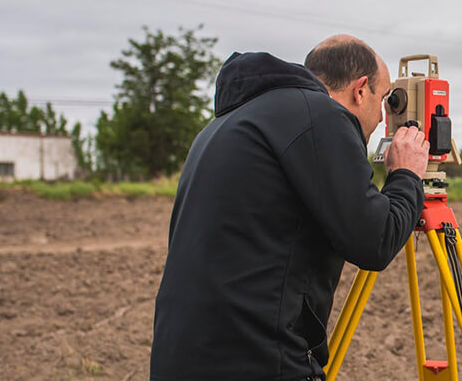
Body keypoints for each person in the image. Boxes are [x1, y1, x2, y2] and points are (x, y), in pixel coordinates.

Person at [151, 35, 427, 381]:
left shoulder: (224, 124)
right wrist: (406, 176)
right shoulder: (321, 116)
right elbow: (375, 239)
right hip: (259, 362)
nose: (385, 115)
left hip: (183, 357)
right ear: (360, 90)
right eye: (384, 98)